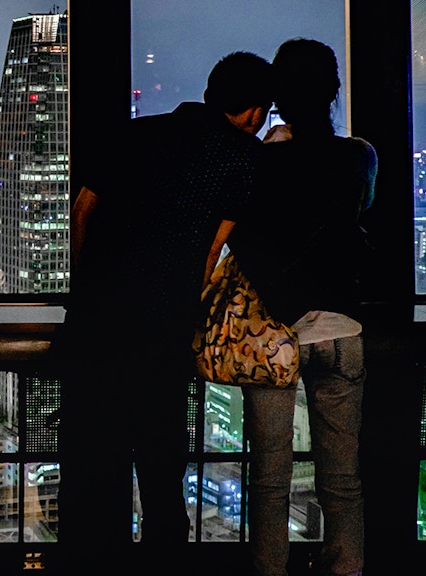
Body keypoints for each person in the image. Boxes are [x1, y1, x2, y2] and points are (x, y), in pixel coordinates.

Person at [65, 51, 274, 563]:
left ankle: (92, 556)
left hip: (96, 321)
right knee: (161, 467)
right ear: (253, 112)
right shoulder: (241, 157)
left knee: (95, 455)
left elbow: (82, 212)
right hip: (162, 329)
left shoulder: (135, 134)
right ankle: (164, 561)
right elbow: (209, 255)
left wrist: (89, 285)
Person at [226, 38, 377, 576]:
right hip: (341, 331)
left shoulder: (260, 162)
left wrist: (272, 145)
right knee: (343, 481)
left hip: (274, 335)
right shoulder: (359, 156)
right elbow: (362, 213)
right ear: (333, 92)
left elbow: (241, 231)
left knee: (270, 480)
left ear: (278, 100)